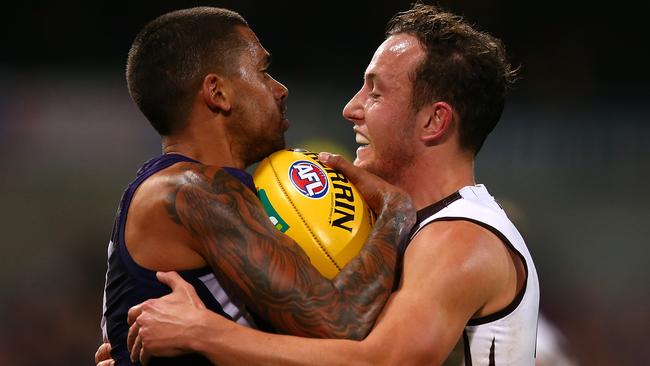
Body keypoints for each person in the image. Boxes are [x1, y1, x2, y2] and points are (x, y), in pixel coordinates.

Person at [101, 3, 540, 365]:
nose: (350, 109)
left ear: (433, 120)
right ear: (216, 93)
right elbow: (331, 336)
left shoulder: (459, 239)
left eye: (375, 92)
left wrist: (208, 335)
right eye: (263, 71)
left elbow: (374, 360)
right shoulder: (194, 190)